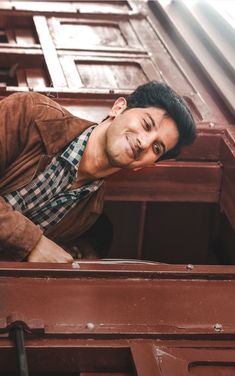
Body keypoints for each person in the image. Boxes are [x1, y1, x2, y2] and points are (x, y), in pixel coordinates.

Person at [0, 81, 196, 263]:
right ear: (118, 108)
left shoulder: (89, 212)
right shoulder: (30, 112)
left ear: (143, 165)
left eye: (157, 148)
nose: (144, 143)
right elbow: (31, 249)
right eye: (146, 124)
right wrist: (34, 243)